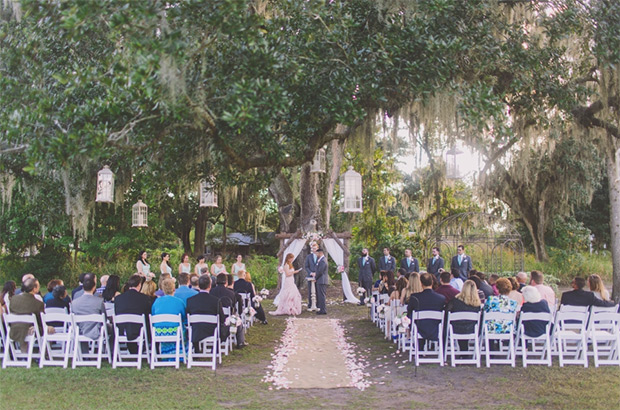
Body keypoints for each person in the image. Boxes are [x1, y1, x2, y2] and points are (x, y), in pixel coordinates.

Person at [186, 275, 228, 351]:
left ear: (198, 285)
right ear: (210, 286)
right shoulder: (216, 301)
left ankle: (196, 348)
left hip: (195, 331)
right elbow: (222, 319)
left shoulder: (190, 300)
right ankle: (215, 348)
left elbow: (187, 316)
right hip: (211, 331)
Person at [114, 275, 153, 353]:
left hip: (121, 330)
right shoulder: (144, 298)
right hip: (140, 330)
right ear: (139, 285)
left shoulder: (118, 298)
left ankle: (134, 349)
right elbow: (148, 314)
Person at [151, 278, 186, 358]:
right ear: (174, 289)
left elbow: (153, 314)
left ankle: (165, 354)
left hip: (159, 332)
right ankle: (181, 353)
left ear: (163, 289)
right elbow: (184, 317)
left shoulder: (157, 302)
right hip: (175, 331)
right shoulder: (179, 302)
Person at [210, 273, 247, 347]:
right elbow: (234, 308)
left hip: (213, 319)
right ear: (226, 283)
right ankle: (240, 342)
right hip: (227, 320)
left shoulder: (211, 292)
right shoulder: (230, 293)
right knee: (237, 319)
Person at [407, 273, 446, 341]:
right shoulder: (441, 298)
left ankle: (419, 346)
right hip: (435, 329)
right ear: (432, 282)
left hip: (419, 329)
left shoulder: (415, 297)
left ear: (421, 283)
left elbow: (409, 311)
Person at [8, 278, 45, 351]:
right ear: (34, 288)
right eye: (38, 286)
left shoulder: (13, 299)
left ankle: (24, 354)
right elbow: (41, 321)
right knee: (49, 329)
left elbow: (12, 312)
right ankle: (45, 354)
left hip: (14, 329)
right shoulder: (38, 303)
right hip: (29, 330)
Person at [447, 280, 481, 351]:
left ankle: (463, 351)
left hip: (456, 329)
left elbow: (447, 312)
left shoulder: (455, 301)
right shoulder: (477, 305)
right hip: (472, 329)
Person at [72, 275, 107, 342]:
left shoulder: (74, 302)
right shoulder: (99, 301)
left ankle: (84, 351)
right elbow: (104, 319)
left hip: (80, 330)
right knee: (113, 329)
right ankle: (109, 350)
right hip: (96, 330)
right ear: (94, 287)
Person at [312, 248, 329, 315]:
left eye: (317, 253)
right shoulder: (321, 260)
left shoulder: (323, 261)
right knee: (320, 295)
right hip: (320, 280)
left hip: (322, 280)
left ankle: (323, 310)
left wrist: (315, 277)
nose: (316, 255)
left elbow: (320, 271)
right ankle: (321, 309)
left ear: (320, 253)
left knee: (322, 295)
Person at [304, 242, 319, 307]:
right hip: (310, 275)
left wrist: (317, 273)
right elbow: (306, 266)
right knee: (310, 290)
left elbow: (322, 266)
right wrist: (311, 273)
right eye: (313, 248)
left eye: (315, 248)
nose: (314, 249)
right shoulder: (308, 257)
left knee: (318, 290)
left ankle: (318, 304)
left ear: (317, 248)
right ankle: (310, 304)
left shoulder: (320, 256)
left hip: (318, 275)